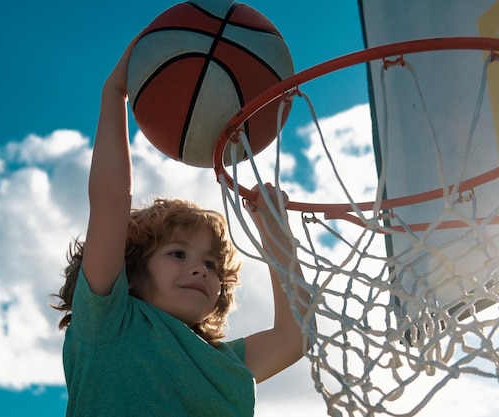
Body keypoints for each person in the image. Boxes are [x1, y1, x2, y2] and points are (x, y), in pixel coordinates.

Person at [53, 39, 311, 417]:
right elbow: (110, 201)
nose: (200, 269)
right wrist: (114, 93)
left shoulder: (221, 362)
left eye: (211, 265)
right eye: (178, 253)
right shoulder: (108, 323)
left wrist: (277, 238)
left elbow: (296, 336)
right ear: (132, 271)